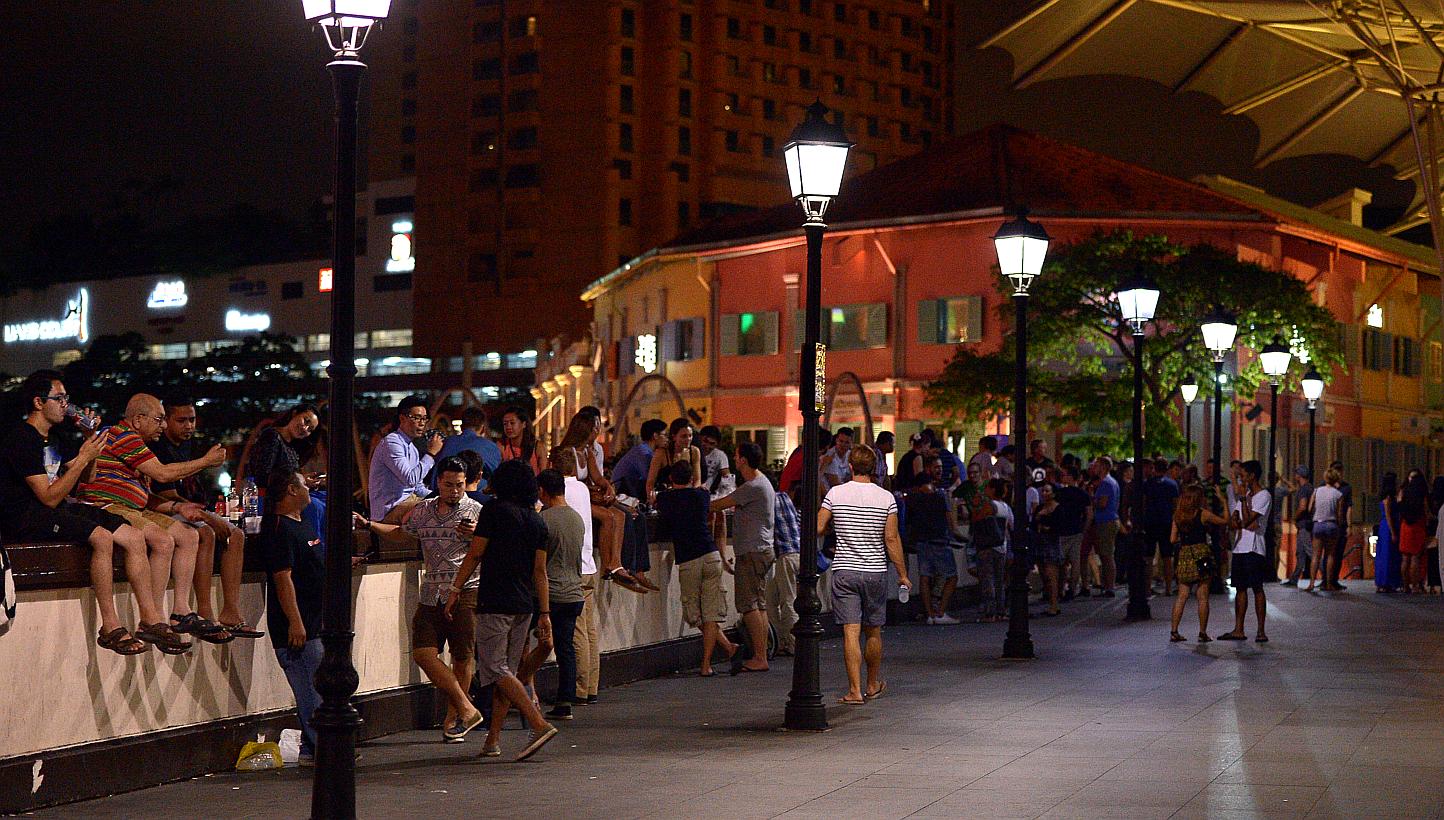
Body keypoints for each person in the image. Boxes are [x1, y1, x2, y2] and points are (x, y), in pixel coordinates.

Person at [0, 371, 165, 655]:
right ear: (39, 402)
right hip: (26, 516)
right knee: (102, 538)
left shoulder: (54, 438)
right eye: (59, 398)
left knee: (133, 536)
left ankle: (151, 620)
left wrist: (90, 441)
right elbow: (49, 497)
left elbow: (86, 478)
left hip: (55, 509)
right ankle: (110, 626)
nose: (66, 404)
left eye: (67, 398)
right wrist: (84, 457)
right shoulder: (21, 439)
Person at [79, 393, 230, 652]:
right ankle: (152, 618)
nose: (163, 425)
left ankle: (179, 611)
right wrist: (206, 462)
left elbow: (143, 496)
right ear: (138, 419)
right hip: (109, 506)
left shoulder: (137, 442)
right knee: (162, 540)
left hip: (133, 506)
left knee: (189, 535)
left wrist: (177, 506)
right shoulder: (122, 435)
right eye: (159, 419)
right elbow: (162, 473)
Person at [358, 457, 486, 742]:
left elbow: (493, 547)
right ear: (438, 482)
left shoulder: (476, 511)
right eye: (449, 485)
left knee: (462, 656)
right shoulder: (424, 510)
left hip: (466, 589)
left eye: (460, 485)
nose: (455, 491)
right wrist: (370, 524)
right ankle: (466, 707)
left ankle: (455, 719)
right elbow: (403, 534)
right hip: (431, 591)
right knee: (423, 653)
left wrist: (478, 534)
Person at [446, 460, 559, 761]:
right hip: (524, 605)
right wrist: (544, 613)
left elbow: (475, 553)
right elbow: (540, 572)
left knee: (495, 669)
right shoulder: (538, 522)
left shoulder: (494, 511)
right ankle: (492, 741)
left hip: (495, 600)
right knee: (505, 673)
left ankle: (538, 723)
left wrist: (455, 590)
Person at [152, 399, 259, 641]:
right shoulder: (159, 447)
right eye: (181, 420)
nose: (188, 426)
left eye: (192, 419)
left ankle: (231, 611)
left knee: (237, 535)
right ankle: (204, 611)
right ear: (166, 420)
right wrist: (208, 516)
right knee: (207, 533)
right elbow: (166, 494)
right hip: (165, 509)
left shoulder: (186, 446)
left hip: (189, 508)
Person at [818, 445, 909, 705]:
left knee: (850, 632)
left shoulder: (835, 493)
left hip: (845, 570)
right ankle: (872, 684)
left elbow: (819, 526)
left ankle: (854, 691)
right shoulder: (886, 498)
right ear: (874, 468)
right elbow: (891, 538)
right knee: (873, 631)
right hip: (875, 572)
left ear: (850, 466)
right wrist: (902, 574)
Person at [261, 469, 328, 765]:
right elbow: (282, 578)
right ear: (290, 490)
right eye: (304, 484)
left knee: (318, 685)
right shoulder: (279, 530)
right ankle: (322, 748)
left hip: (314, 619)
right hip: (297, 626)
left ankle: (311, 749)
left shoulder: (302, 524)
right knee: (311, 689)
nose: (309, 487)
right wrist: (295, 621)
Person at [656, 461, 739, 676]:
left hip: (689, 560)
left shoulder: (665, 498)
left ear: (671, 479)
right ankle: (720, 654)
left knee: (694, 614)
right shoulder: (701, 496)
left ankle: (710, 661)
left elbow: (658, 506)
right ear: (692, 479)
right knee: (711, 612)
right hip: (710, 555)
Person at [556, 412, 646, 593]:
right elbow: (572, 483)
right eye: (595, 427)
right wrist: (596, 493)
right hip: (575, 499)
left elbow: (597, 477)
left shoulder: (588, 452)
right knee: (608, 517)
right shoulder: (569, 452)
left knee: (621, 515)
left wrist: (608, 488)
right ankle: (607, 565)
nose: (598, 430)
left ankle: (616, 563)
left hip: (587, 495)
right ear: (585, 429)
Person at [710, 441, 774, 673]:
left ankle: (759, 656)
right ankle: (762, 653)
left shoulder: (752, 487)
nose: (734, 460)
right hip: (762, 549)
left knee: (748, 605)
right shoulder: (762, 483)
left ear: (744, 460)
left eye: (736, 456)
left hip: (752, 551)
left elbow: (719, 504)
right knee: (759, 604)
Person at [548, 447, 601, 706]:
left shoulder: (562, 492)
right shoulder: (582, 488)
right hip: (589, 563)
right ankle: (591, 685)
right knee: (589, 629)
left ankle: (578, 688)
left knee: (576, 633)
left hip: (571, 568)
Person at [535, 468, 588, 720]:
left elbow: (539, 565)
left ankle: (526, 692)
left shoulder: (544, 520)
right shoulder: (576, 518)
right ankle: (565, 698)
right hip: (574, 592)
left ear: (542, 491)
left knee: (536, 644)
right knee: (566, 648)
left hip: (551, 593)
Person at [368, 396, 442, 524]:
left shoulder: (412, 448)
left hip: (408, 503)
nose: (422, 423)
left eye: (424, 418)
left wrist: (440, 496)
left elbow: (418, 487)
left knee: (446, 505)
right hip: (390, 510)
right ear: (402, 418)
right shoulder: (392, 442)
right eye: (417, 418)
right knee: (434, 510)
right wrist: (430, 454)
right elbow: (410, 479)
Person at [1168, 484, 1228, 642]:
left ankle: (1174, 631)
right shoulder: (1203, 514)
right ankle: (1202, 632)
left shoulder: (1178, 515)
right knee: (1203, 596)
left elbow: (1172, 539)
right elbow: (1224, 521)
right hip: (1202, 556)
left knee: (1182, 595)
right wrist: (1223, 501)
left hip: (1185, 555)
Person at [904, 455, 959, 624]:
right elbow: (951, 523)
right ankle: (940, 612)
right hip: (939, 541)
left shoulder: (911, 500)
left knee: (925, 577)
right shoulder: (939, 497)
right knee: (951, 576)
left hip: (922, 542)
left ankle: (929, 614)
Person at [1219, 460, 1269, 643]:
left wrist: (1243, 502)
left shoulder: (1263, 496)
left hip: (1254, 548)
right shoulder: (1246, 495)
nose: (1241, 479)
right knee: (1240, 588)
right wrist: (1239, 519)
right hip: (1240, 547)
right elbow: (1234, 522)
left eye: (1243, 476)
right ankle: (1238, 629)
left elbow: (1248, 521)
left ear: (1252, 476)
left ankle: (1261, 631)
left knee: (1257, 588)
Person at [244, 404, 321, 488]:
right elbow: (263, 476)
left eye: (310, 429)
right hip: (267, 498)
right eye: (306, 421)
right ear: (294, 413)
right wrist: (300, 479)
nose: (305, 428)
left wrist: (303, 480)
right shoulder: (272, 436)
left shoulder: (292, 447)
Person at [767, 486, 802, 656]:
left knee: (788, 601)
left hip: (785, 556)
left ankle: (795, 644)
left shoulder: (768, 501)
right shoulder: (785, 497)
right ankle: (780, 640)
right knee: (771, 596)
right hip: (797, 553)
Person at [435, 406, 501, 494]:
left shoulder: (446, 443)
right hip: (476, 497)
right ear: (482, 428)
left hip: (443, 495)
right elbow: (497, 476)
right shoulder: (489, 446)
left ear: (462, 427)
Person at [972, 478, 1011, 622]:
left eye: (987, 487)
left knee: (987, 578)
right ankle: (1001, 610)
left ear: (993, 489)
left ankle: (990, 612)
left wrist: (975, 506)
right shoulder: (1005, 507)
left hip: (987, 546)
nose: (985, 490)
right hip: (1001, 546)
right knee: (999, 579)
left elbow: (976, 519)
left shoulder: (991, 506)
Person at [1142, 457, 1180, 596]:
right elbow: (1176, 505)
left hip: (1150, 522)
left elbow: (1143, 503)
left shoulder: (1147, 484)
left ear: (1154, 468)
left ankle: (1146, 587)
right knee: (1167, 556)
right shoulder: (1172, 484)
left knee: (1148, 556)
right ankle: (1169, 587)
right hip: (1166, 522)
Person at [1053, 465, 1091, 601]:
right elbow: (1088, 513)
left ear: (1070, 477)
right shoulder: (1083, 494)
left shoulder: (1060, 493)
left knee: (1060, 562)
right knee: (1075, 562)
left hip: (1063, 531)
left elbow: (1054, 509)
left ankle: (1060, 589)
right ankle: (1072, 588)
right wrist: (1084, 529)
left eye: (1065, 474)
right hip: (1076, 531)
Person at [1308, 467, 1346, 592]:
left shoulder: (1317, 491)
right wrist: (1339, 526)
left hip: (1318, 524)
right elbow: (1340, 514)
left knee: (1315, 555)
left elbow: (1310, 508)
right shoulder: (1339, 494)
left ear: (1325, 478)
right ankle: (1329, 584)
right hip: (1331, 524)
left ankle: (1312, 583)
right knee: (1330, 555)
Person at [646, 417, 702, 499]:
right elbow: (650, 482)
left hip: (686, 494)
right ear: (674, 437)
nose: (688, 439)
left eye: (690, 435)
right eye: (684, 436)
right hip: (665, 495)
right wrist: (651, 498)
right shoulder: (662, 453)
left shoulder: (694, 452)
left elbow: (697, 480)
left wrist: (693, 495)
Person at [1031, 481, 1064, 616]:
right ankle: (1050, 600)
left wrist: (1045, 527)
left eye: (1047, 491)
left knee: (1051, 575)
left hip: (1051, 543)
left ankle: (1054, 604)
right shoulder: (1040, 508)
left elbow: (1058, 526)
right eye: (1043, 491)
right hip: (1040, 543)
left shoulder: (1058, 509)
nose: (1044, 494)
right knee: (1044, 575)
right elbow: (1033, 523)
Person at [611, 419, 665, 498]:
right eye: (664, 435)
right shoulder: (643, 453)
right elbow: (649, 478)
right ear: (655, 436)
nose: (666, 439)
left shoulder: (642, 450)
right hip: (623, 493)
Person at [1090, 456, 1120, 597]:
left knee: (1107, 555)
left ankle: (1109, 586)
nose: (1094, 467)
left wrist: (1092, 499)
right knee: (1105, 554)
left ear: (1103, 467)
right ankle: (1108, 585)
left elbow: (1102, 503)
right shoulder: (1110, 482)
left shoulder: (1106, 483)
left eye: (1096, 465)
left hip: (1106, 521)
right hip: (1108, 520)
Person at [1398, 470, 1429, 594]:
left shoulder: (1404, 492)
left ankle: (1405, 585)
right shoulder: (1422, 494)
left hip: (1405, 526)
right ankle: (1415, 585)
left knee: (1405, 558)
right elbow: (1426, 510)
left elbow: (1399, 505)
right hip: (1418, 526)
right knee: (1415, 557)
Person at [1283, 466, 1313, 587]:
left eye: (1296, 474)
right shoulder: (1310, 488)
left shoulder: (1303, 490)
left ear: (1299, 475)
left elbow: (1302, 506)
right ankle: (1294, 578)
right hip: (1307, 524)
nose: (1294, 476)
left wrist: (1295, 518)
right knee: (1300, 552)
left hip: (1304, 524)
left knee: (1310, 551)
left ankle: (1327, 576)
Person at [498, 405, 547, 475]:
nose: (508, 427)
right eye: (505, 424)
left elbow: (544, 475)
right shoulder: (502, 446)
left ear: (524, 424)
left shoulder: (538, 447)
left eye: (512, 423)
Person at [1375, 472, 1400, 593]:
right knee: (1388, 555)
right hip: (1388, 526)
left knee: (1383, 554)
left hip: (1383, 526)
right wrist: (1393, 532)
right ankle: (1386, 582)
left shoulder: (1384, 497)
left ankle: (1382, 581)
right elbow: (1389, 516)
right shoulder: (1389, 498)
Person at [697, 425, 731, 494]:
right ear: (700, 438)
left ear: (717, 444)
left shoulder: (720, 455)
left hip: (704, 493)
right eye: (705, 441)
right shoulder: (693, 451)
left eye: (712, 444)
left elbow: (727, 477)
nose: (707, 446)